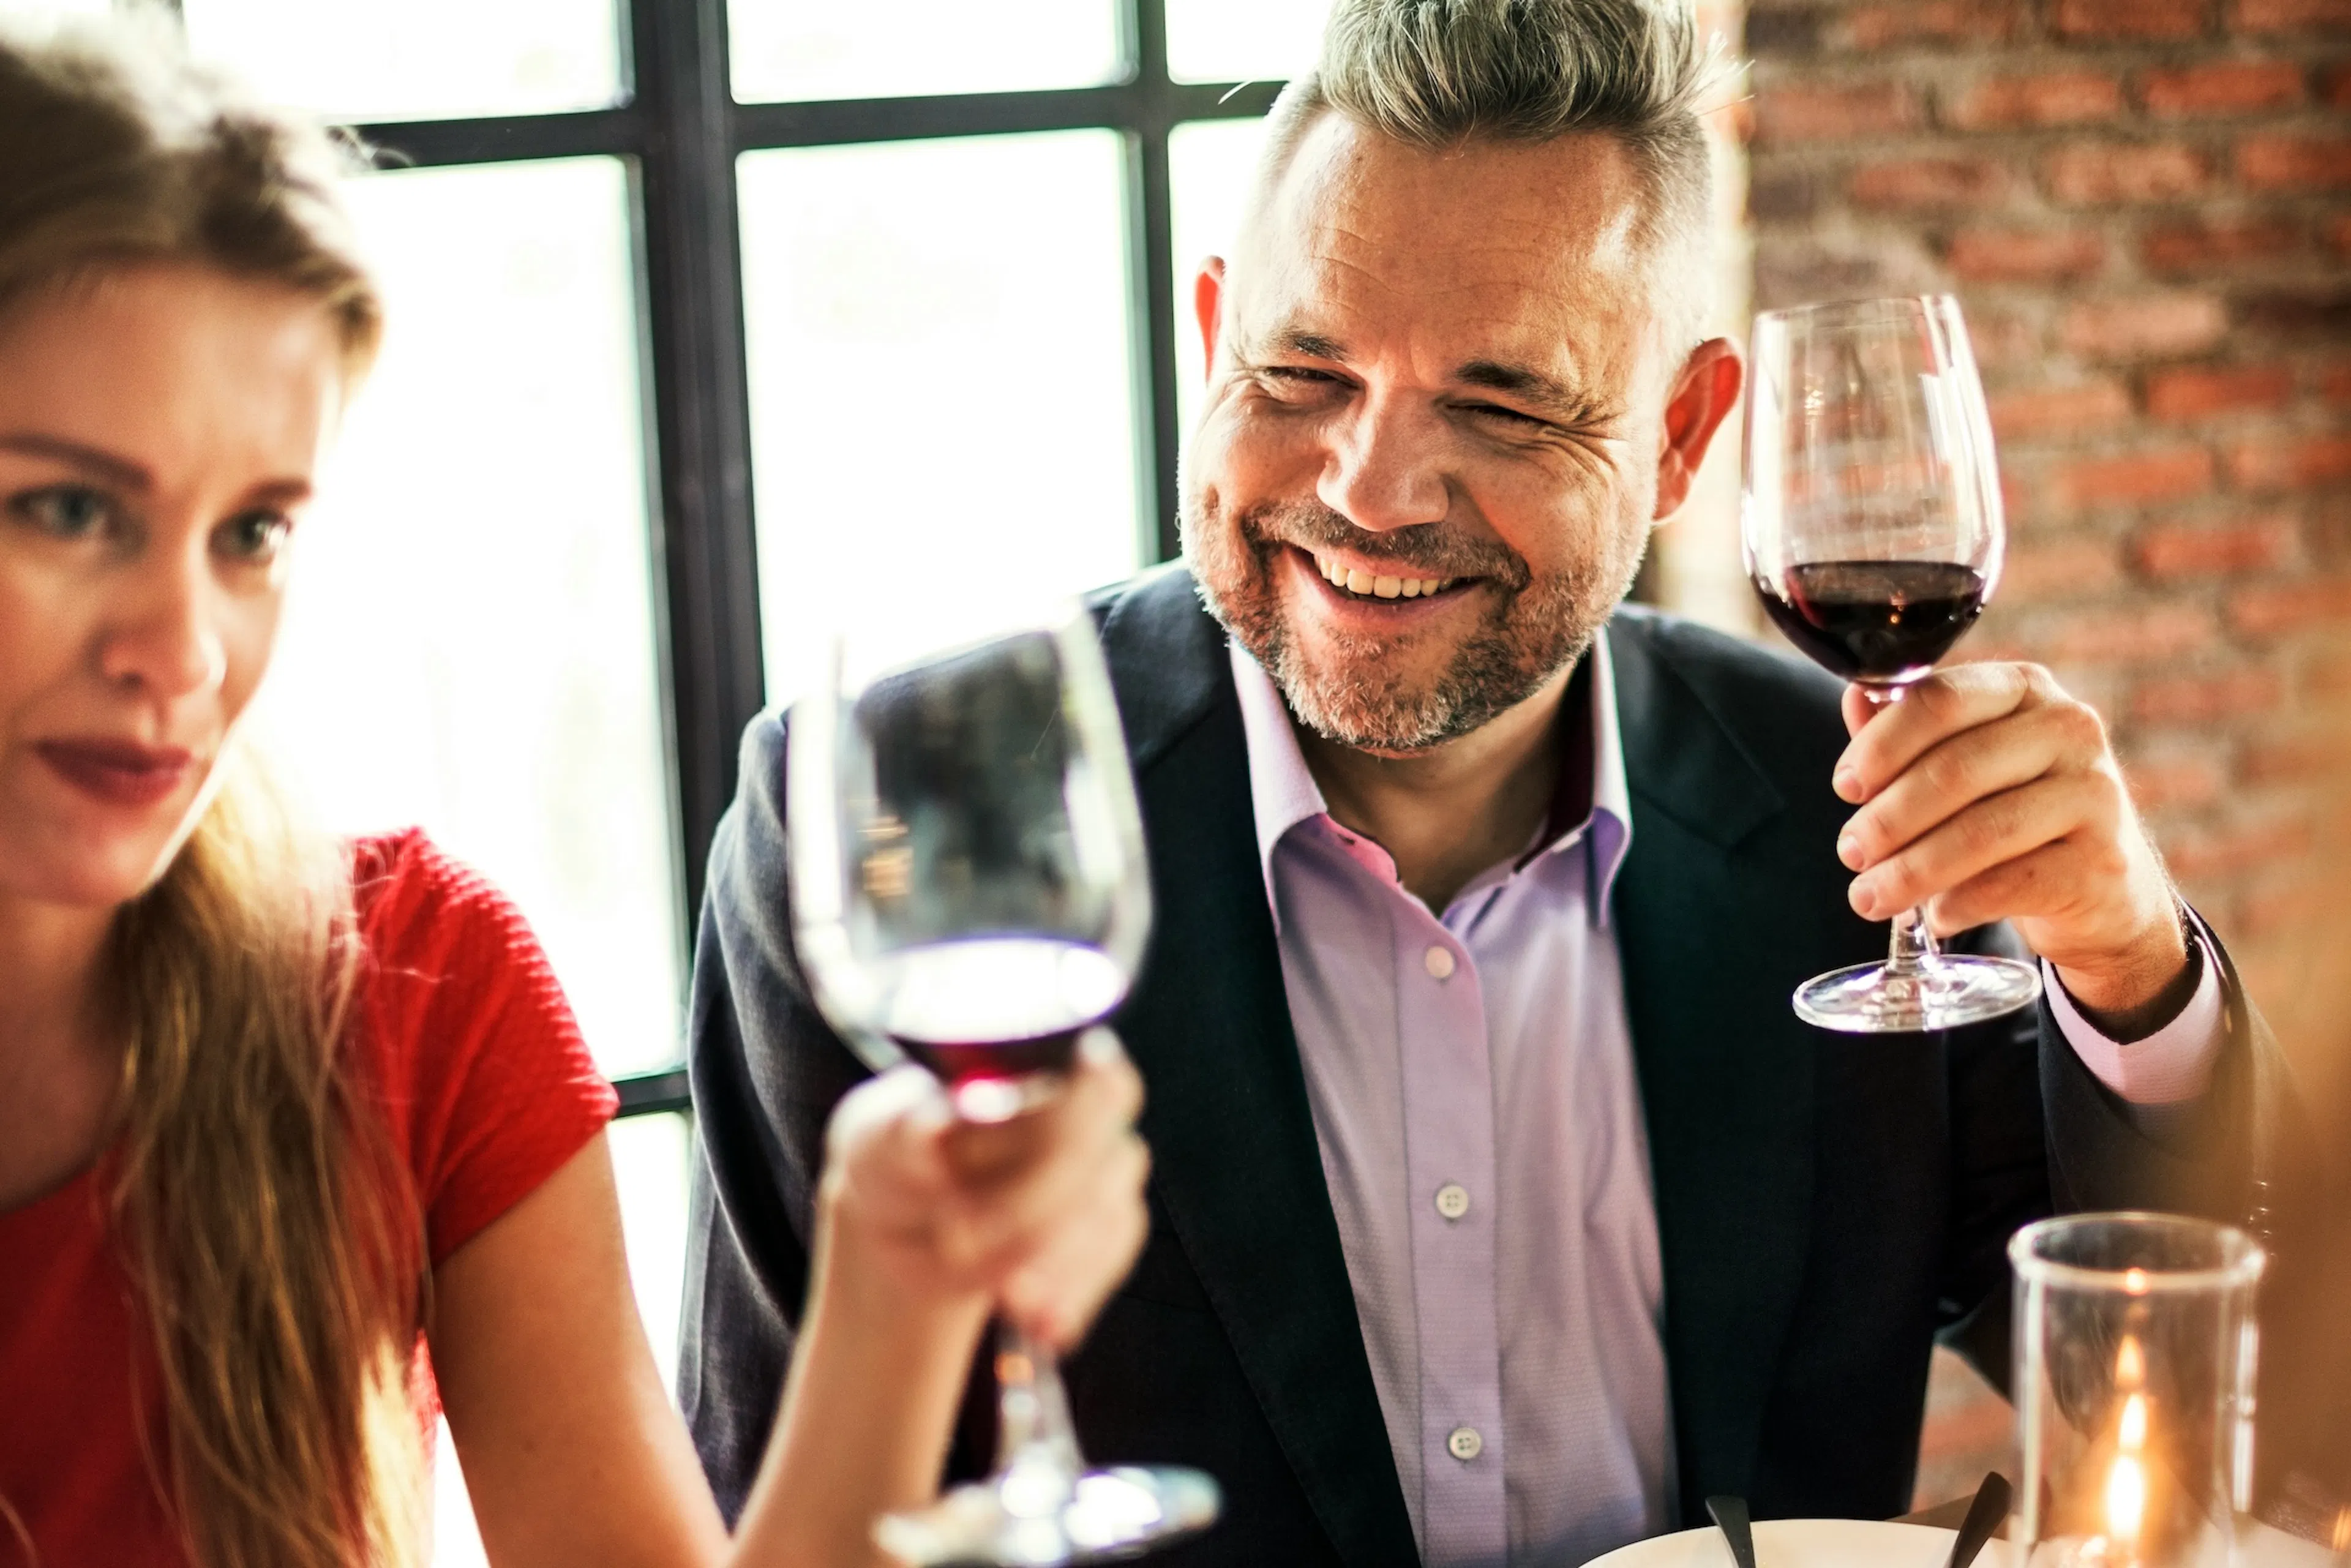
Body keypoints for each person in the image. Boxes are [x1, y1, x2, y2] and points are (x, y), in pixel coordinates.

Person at [681, 1, 2309, 1564]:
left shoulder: (1848, 809)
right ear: (1210, 335)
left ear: (1682, 438)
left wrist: (2131, 972)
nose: (1371, 493)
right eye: (1303, 373)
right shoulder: (882, 834)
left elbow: (2229, 1402)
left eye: (1502, 398)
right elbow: (770, 1530)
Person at [0, 17, 1150, 1568]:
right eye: (72, 510)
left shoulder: (416, 992)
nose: (182, 652)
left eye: (252, 533)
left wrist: (903, 1281)